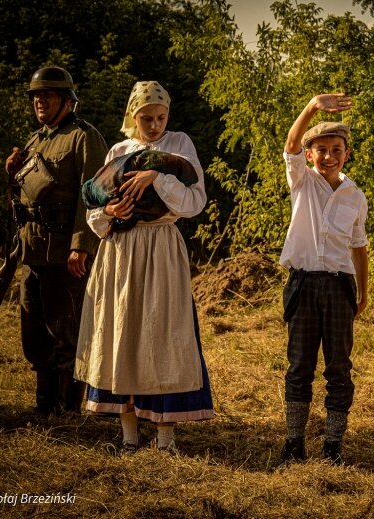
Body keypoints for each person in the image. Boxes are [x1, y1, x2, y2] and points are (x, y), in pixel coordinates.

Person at [74, 81, 214, 454]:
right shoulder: (119, 149)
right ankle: (129, 436)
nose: (154, 125)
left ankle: (166, 438)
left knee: (164, 331)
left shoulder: (180, 143)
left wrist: (159, 176)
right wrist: (109, 212)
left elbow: (195, 200)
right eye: (147, 118)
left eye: (161, 117)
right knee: (124, 331)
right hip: (120, 249)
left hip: (161, 244)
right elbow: (94, 203)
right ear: (133, 117)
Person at [4, 67, 107, 416]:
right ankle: (43, 403)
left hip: (66, 252)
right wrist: (11, 173)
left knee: (67, 331)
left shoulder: (84, 136)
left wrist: (82, 244)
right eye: (35, 96)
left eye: (47, 95)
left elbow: (93, 194)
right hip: (32, 250)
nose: (39, 101)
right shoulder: (35, 141)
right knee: (33, 332)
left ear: (67, 99)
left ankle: (67, 408)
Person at [279, 93, 369, 464]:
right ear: (310, 154)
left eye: (336, 149)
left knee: (338, 367)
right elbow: (289, 143)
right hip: (302, 284)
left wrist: (362, 292)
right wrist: (313, 106)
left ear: (347, 154)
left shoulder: (356, 196)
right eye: (321, 149)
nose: (329, 156)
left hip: (338, 287)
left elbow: (359, 247)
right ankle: (294, 441)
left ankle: (333, 444)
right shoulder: (302, 181)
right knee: (299, 364)